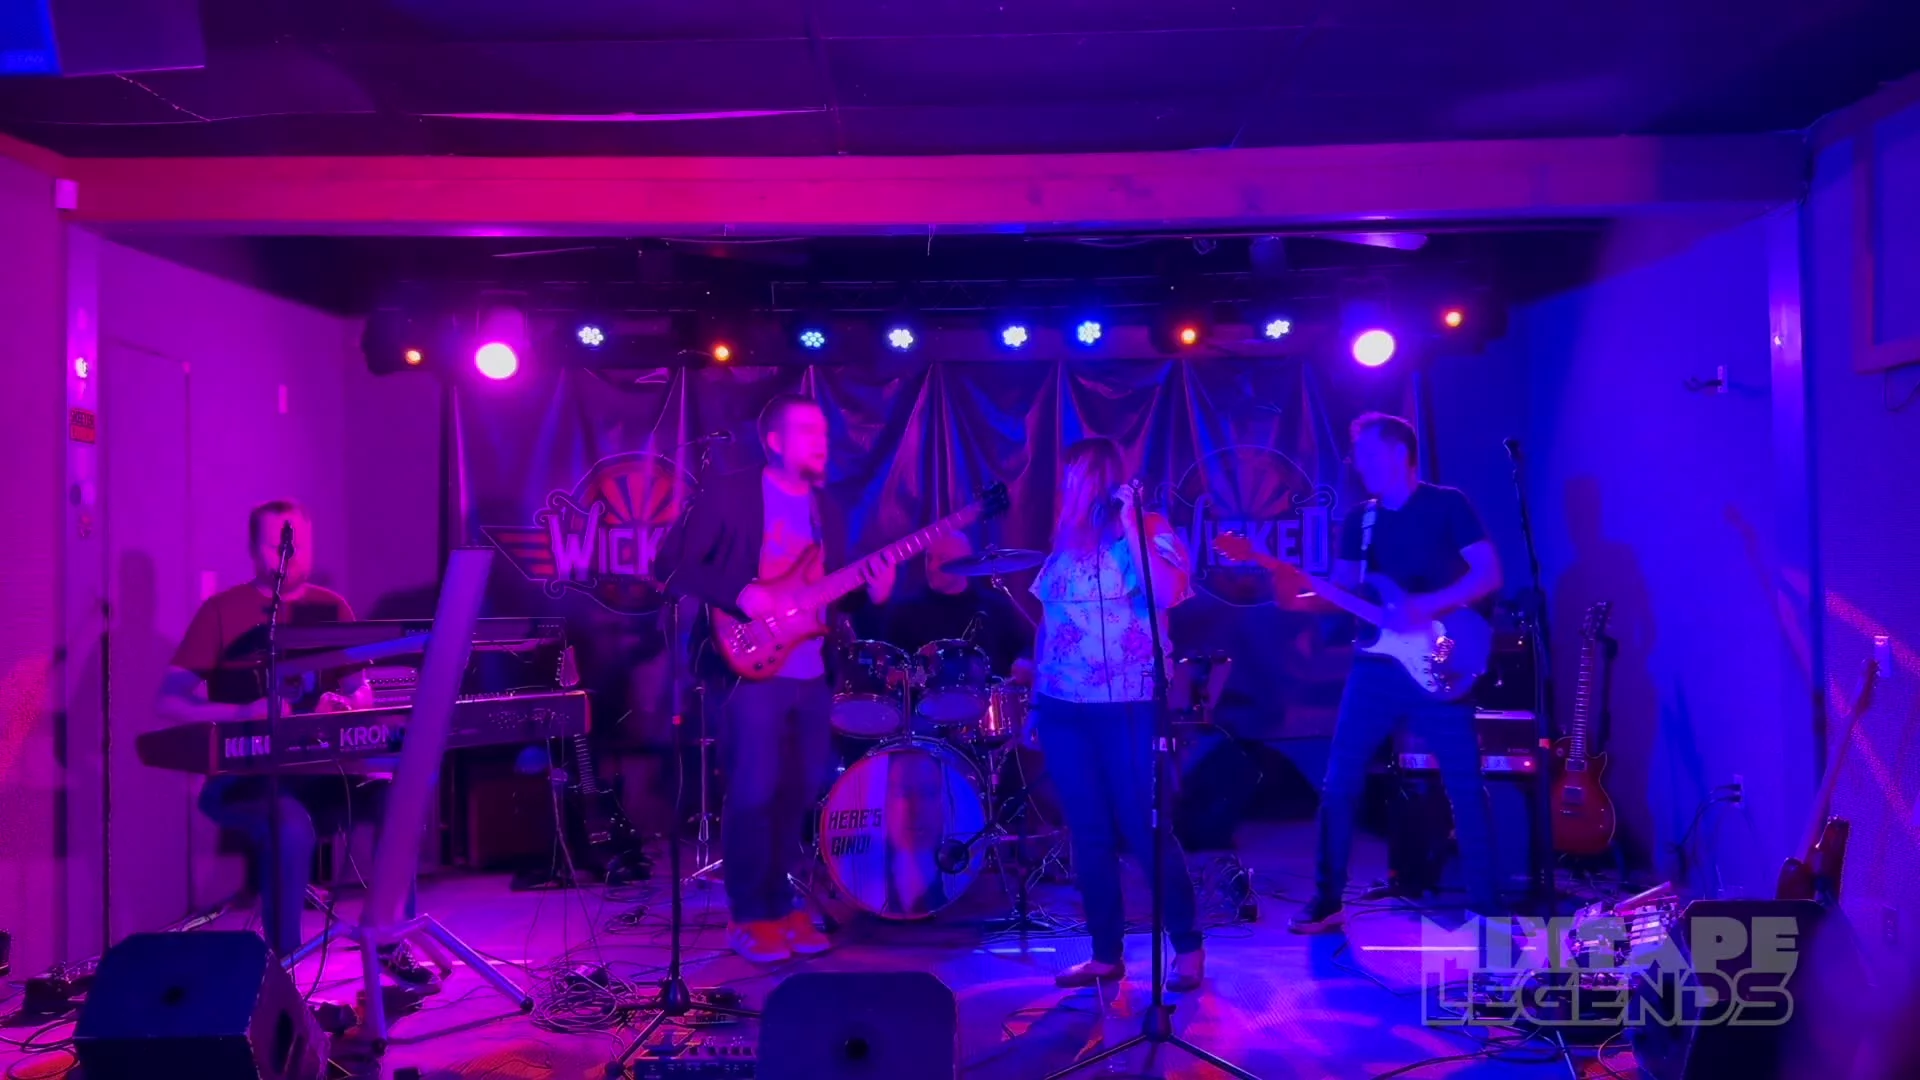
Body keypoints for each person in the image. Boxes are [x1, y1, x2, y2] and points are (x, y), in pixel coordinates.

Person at [654, 394, 897, 962]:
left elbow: (824, 594)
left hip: (811, 671)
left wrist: (871, 592)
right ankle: (748, 914)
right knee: (754, 791)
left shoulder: (827, 508)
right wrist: (742, 593)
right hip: (750, 668)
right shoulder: (732, 493)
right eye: (808, 431)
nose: (822, 442)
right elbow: (670, 565)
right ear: (775, 442)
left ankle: (783, 905)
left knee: (799, 790)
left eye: (824, 432)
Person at [155, 500, 434, 986]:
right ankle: (281, 968)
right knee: (289, 826)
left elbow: (360, 690)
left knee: (398, 798)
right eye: (277, 544)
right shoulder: (222, 611)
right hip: (245, 779)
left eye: (300, 544)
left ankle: (391, 937)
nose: (291, 554)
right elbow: (169, 701)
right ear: (252, 549)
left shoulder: (333, 608)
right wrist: (241, 713)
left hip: (324, 775)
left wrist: (349, 703)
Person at [1289, 413, 1504, 934]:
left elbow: (1489, 573)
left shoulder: (1447, 504)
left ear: (1399, 453)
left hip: (1441, 659)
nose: (1357, 464)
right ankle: (1327, 899)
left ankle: (1487, 909)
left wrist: (1425, 605)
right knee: (1339, 782)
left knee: (1464, 785)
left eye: (1366, 453)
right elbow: (1345, 590)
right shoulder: (1358, 521)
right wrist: (1299, 590)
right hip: (1375, 665)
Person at [1023, 437, 1205, 991]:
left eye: (1076, 475)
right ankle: (1105, 952)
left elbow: (1169, 592)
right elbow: (1048, 624)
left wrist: (1130, 527)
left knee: (1143, 828)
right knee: (1088, 830)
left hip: (1127, 701)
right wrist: (1036, 700)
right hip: (1064, 707)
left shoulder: (1147, 528)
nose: (1068, 486)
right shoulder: (1064, 543)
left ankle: (1187, 945)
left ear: (1098, 478)